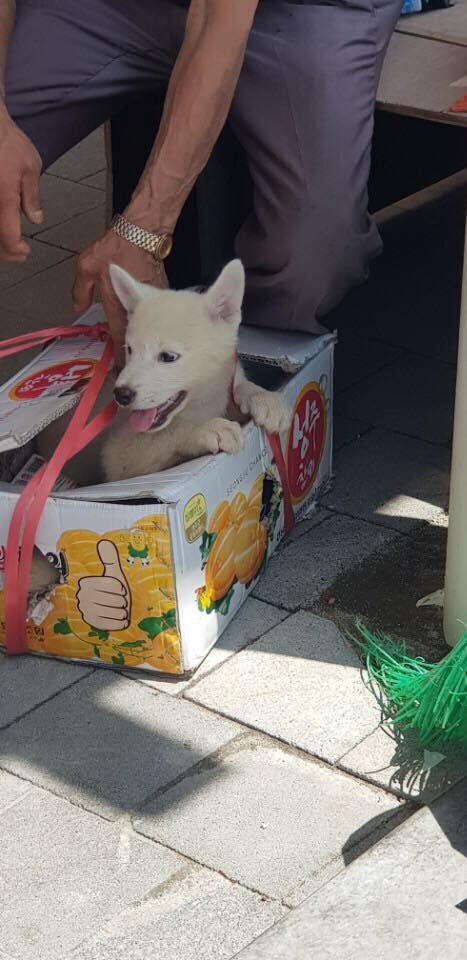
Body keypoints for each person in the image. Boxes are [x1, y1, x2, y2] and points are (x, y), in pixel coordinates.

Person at [0, 0, 401, 361]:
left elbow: (216, 17)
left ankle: (242, 381)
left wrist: (142, 232)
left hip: (297, 11)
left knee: (312, 253)